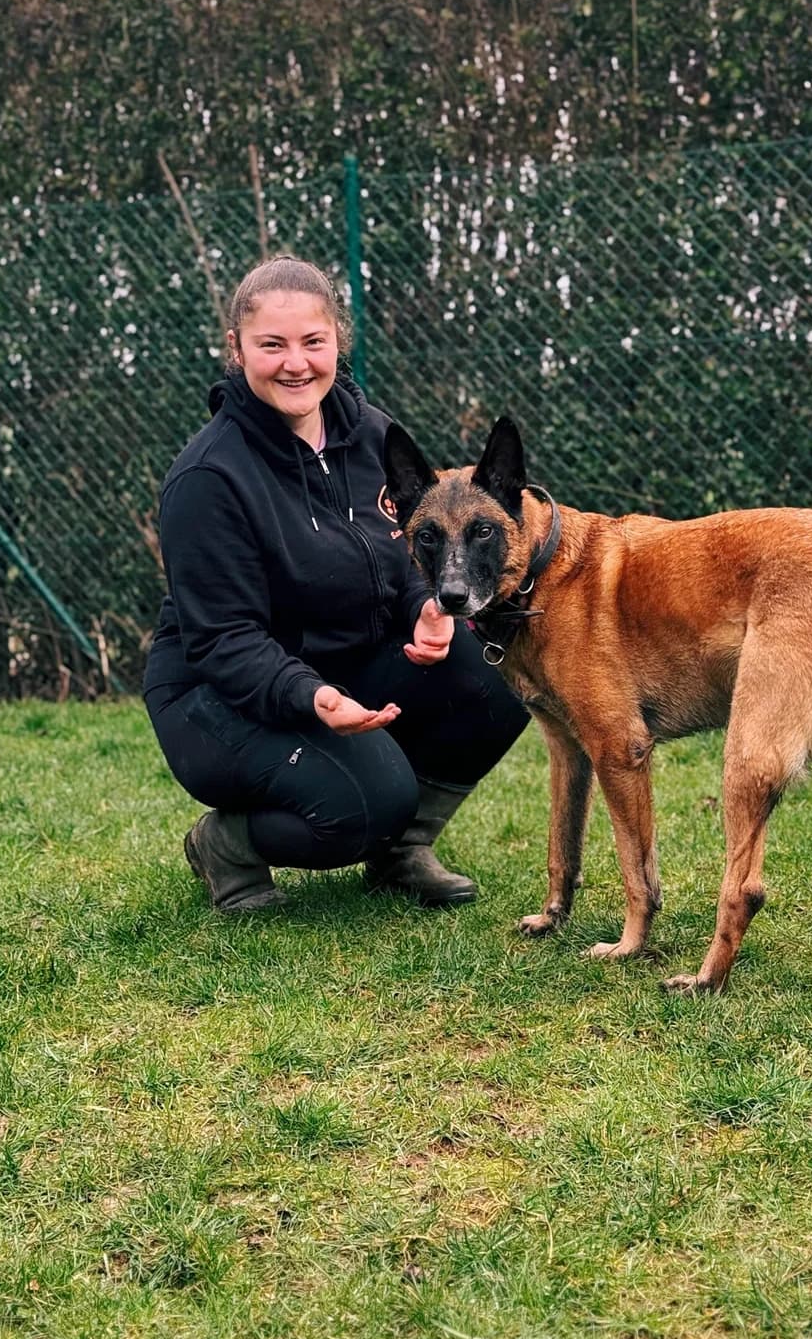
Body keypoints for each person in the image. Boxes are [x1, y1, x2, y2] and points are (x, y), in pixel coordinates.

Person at [143, 254, 528, 912]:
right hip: (218, 699)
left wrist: (423, 609)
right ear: (236, 350)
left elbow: (407, 552)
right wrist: (315, 697)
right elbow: (224, 641)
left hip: (335, 666)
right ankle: (226, 845)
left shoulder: (370, 434)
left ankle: (401, 853)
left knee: (508, 672)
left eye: (312, 342)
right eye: (272, 345)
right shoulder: (208, 480)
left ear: (336, 343)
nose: (296, 362)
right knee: (367, 801)